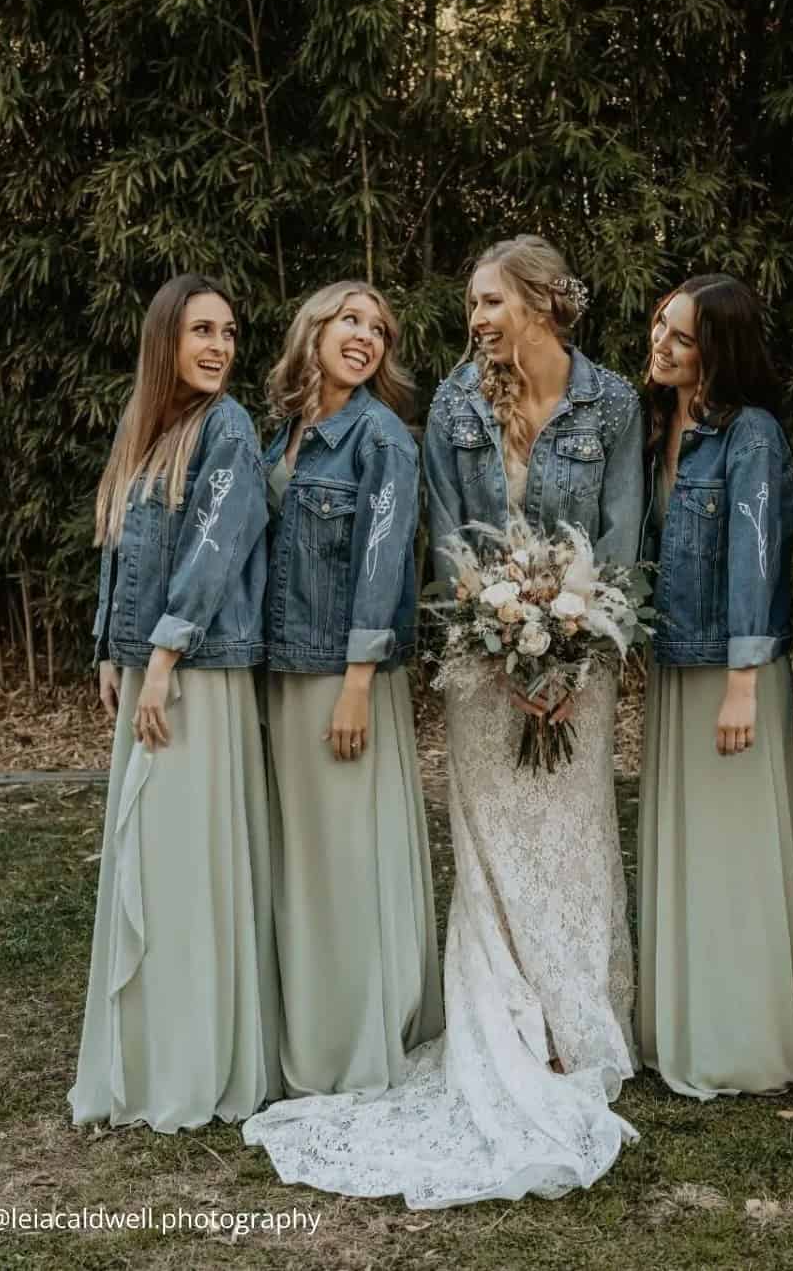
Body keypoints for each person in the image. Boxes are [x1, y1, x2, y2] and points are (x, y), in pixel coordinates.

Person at [245, 235, 644, 1207]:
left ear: (544, 302)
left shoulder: (614, 404)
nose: (476, 320)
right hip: (482, 660)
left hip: (583, 662)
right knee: (494, 846)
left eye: (490, 302)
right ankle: (503, 1020)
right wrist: (505, 644)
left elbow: (626, 537)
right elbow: (451, 542)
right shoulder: (457, 406)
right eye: (472, 304)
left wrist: (579, 645)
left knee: (575, 839)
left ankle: (573, 1025)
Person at [70, 273, 280, 1132]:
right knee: (150, 862)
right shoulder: (149, 428)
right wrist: (110, 648)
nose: (219, 348)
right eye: (202, 331)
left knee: (186, 867)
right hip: (151, 666)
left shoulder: (228, 428)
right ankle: (150, 1050)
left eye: (228, 333)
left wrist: (161, 656)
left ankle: (196, 1059)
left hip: (196, 670)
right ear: (167, 340)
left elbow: (215, 552)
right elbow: (120, 548)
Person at [635, 274, 793, 1099]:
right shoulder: (657, 423)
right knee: (684, 844)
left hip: (731, 669)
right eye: (658, 328)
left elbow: (756, 559)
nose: (661, 346)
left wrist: (744, 681)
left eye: (680, 337)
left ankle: (742, 1038)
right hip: (679, 663)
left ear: (719, 349)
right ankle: (680, 1021)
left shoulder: (752, 436)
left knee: (733, 850)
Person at [256, 280, 442, 1098]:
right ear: (314, 328)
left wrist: (359, 682)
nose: (366, 336)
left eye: (380, 329)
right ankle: (308, 1021)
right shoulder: (282, 433)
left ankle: (353, 1038)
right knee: (303, 860)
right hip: (282, 669)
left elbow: (383, 561)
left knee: (346, 861)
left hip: (342, 675)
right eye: (351, 320)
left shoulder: (382, 440)